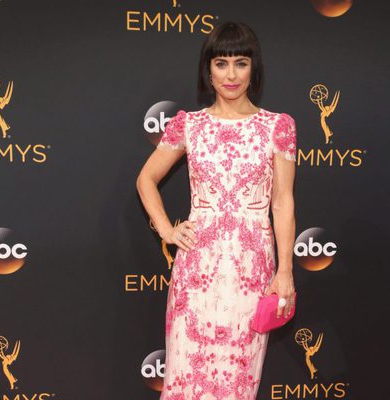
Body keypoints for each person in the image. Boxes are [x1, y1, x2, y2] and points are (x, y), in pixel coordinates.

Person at [136, 20, 297, 400]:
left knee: (238, 384)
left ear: (253, 68)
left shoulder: (278, 127)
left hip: (251, 272)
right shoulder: (188, 126)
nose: (231, 74)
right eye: (221, 63)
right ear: (208, 69)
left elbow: (283, 202)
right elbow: (146, 180)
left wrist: (285, 270)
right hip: (197, 274)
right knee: (185, 382)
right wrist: (167, 230)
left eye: (241, 63)